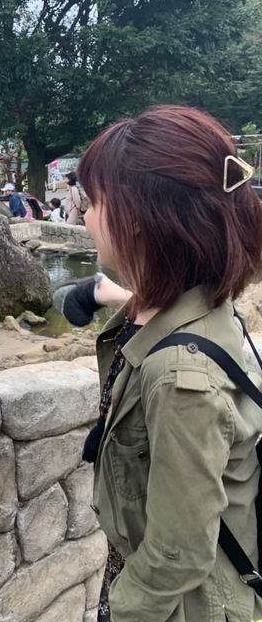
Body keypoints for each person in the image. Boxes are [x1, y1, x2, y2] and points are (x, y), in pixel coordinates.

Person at [59, 105, 262, 622]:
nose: (83, 215)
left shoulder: (178, 378)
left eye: (93, 201)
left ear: (141, 222)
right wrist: (106, 294)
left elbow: (181, 551)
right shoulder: (208, 305)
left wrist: (120, 611)